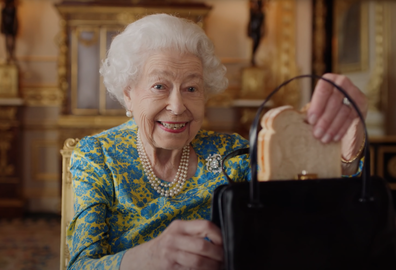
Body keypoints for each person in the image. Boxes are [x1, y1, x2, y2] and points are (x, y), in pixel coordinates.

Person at [67, 14, 368, 270]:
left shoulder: (228, 155)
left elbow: (307, 208)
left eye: (192, 88)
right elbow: (80, 265)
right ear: (128, 93)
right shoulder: (98, 157)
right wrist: (151, 256)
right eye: (160, 86)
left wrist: (343, 154)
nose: (177, 105)